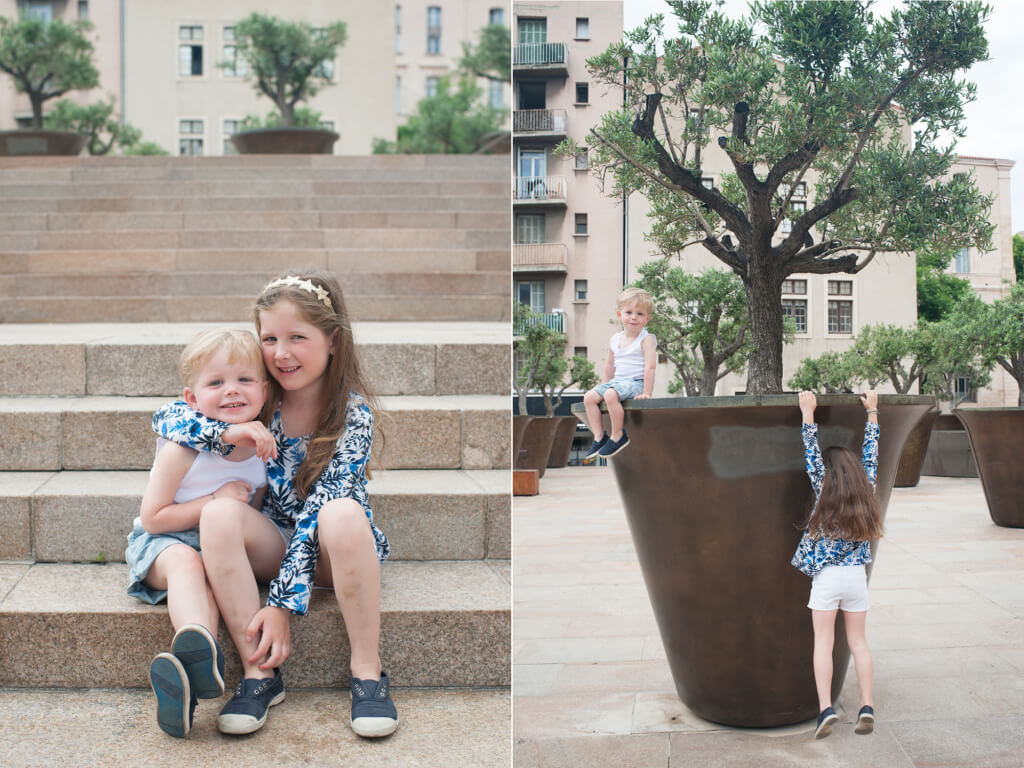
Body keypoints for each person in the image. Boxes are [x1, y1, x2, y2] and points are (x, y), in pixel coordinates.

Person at [150, 270, 397, 739]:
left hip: (333, 549)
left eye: (297, 337)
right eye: (270, 339)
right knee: (219, 512)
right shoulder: (260, 399)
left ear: (332, 341)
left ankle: (367, 672)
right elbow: (168, 415)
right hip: (272, 538)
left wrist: (282, 605)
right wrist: (227, 431)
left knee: (339, 512)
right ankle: (259, 673)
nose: (281, 353)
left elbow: (319, 514)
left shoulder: (352, 414)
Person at [126, 327, 269, 738]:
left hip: (214, 547)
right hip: (163, 544)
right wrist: (214, 499)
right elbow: (153, 518)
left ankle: (188, 681)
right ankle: (199, 642)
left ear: (263, 389)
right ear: (191, 398)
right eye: (216, 382)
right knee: (188, 563)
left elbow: (247, 517)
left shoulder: (261, 450)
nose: (232, 391)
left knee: (208, 572)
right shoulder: (182, 447)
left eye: (244, 380)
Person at [793, 390, 883, 740]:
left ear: (829, 472)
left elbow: (810, 451)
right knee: (858, 642)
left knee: (823, 644)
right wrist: (872, 410)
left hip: (827, 580)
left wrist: (807, 412)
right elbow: (872, 454)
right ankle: (867, 706)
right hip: (856, 578)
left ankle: (825, 709)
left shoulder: (822, 485)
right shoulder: (868, 487)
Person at [581, 287, 657, 458]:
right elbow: (610, 364)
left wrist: (646, 392)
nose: (634, 317)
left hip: (636, 383)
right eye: (629, 312)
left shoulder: (646, 340)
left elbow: (650, 367)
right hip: (617, 382)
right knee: (589, 397)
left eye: (640, 314)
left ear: (647, 318)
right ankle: (599, 437)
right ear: (619, 314)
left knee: (610, 395)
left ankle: (618, 436)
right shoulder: (615, 339)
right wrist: (605, 385)